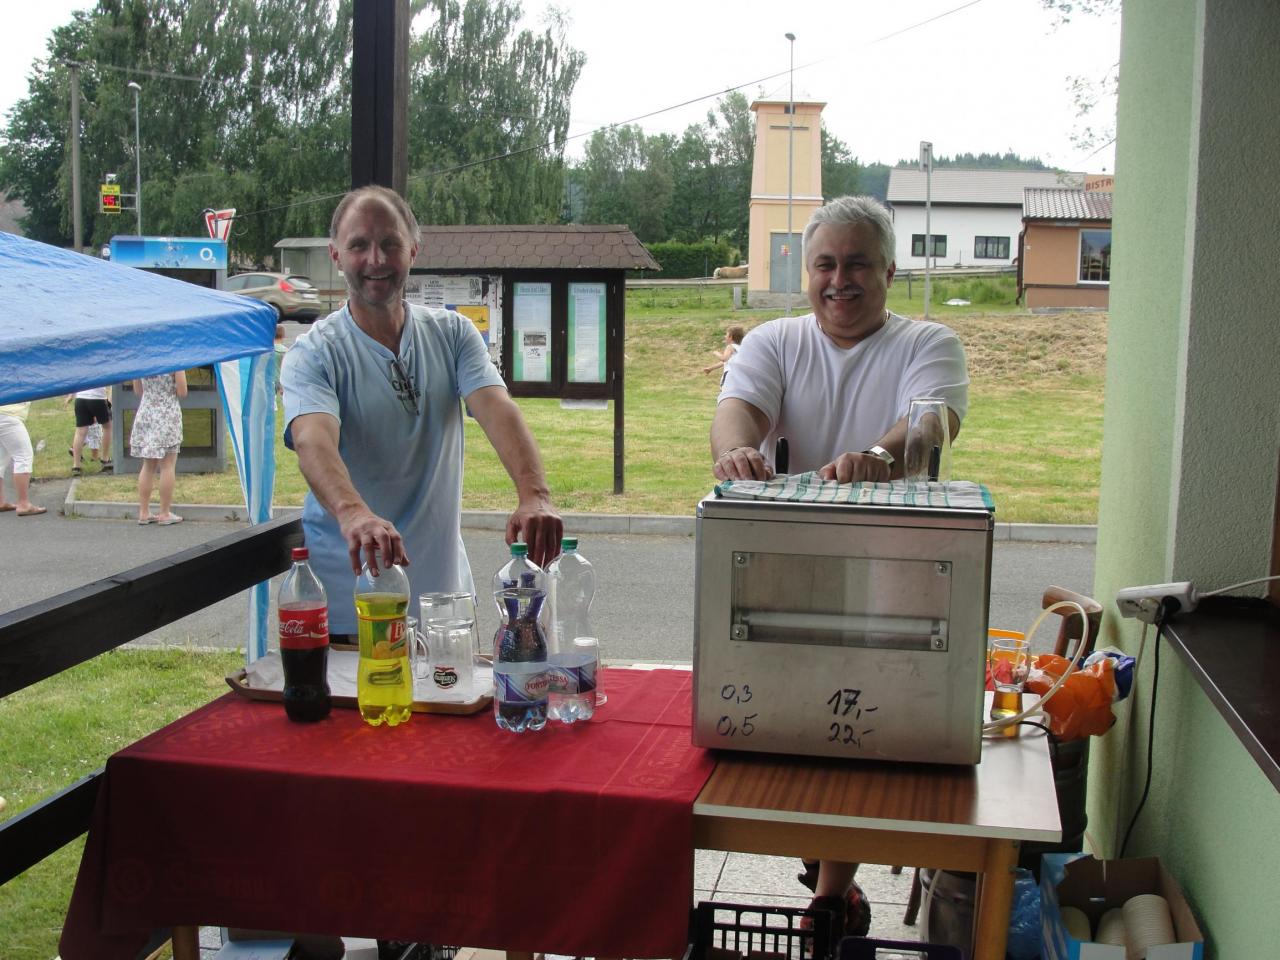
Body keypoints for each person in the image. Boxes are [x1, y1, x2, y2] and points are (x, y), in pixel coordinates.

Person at [709, 195, 970, 935]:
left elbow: (931, 422)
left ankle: (830, 895)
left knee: (860, 723)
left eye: (857, 264)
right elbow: (737, 409)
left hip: (894, 568)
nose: (839, 280)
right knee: (788, 720)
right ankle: (827, 875)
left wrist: (879, 456)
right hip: (784, 564)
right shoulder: (775, 340)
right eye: (825, 264)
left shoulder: (929, 342)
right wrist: (737, 450)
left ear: (889, 271)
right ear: (807, 272)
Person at [281, 184, 563, 639]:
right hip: (351, 609)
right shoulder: (315, 352)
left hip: (444, 606)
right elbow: (312, 438)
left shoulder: (452, 333)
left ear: (413, 249)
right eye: (359, 245)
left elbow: (497, 408)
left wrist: (535, 495)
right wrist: (354, 514)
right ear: (336, 255)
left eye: (390, 243)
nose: (376, 259)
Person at [131, 369, 188, 525]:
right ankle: (164, 513)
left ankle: (144, 512)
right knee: (167, 465)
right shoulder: (174, 361)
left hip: (146, 412)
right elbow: (182, 392)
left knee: (148, 465)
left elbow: (138, 390)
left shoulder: (142, 360)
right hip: (167, 413)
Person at [0, 401, 47, 516]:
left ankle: (1, 502)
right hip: (9, 415)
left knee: (1, 460)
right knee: (23, 457)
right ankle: (23, 504)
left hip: (4, 414)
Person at [66, 385, 113, 475]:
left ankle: (76, 466)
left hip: (80, 398)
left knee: (80, 432)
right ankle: (105, 459)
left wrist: (71, 395)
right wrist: (109, 401)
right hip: (98, 398)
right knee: (107, 427)